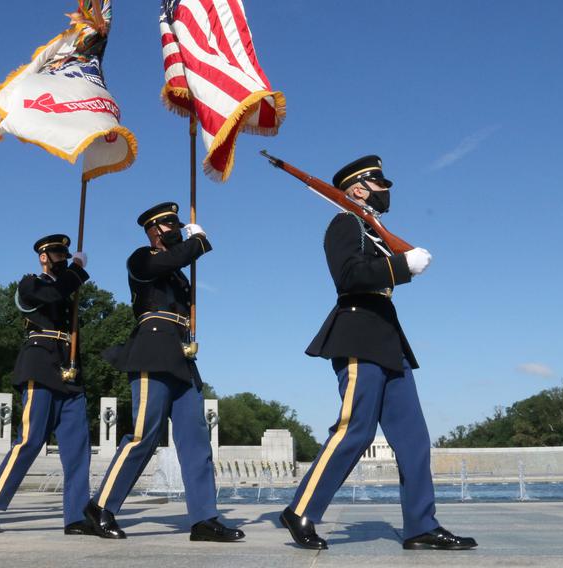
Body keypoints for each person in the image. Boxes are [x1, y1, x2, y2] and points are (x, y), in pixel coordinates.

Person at [280, 155, 477, 551]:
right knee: (355, 430)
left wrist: (396, 262)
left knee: (414, 440)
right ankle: (301, 509)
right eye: (380, 183)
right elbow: (349, 276)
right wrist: (400, 267)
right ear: (357, 188)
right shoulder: (345, 223)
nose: (387, 190)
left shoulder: (373, 229)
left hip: (389, 340)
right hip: (357, 335)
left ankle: (420, 526)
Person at [88, 202, 244, 542]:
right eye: (170, 225)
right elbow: (173, 259)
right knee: (144, 434)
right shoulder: (142, 258)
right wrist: (198, 242)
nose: (175, 229)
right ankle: (101, 506)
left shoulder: (175, 271)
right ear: (154, 231)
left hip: (180, 354)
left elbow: (177, 265)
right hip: (152, 349)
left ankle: (204, 517)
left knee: (195, 440)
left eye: (178, 224)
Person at [0, 235, 92, 535]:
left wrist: (74, 275)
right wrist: (78, 270)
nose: (63, 258)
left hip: (69, 372)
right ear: (43, 257)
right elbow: (53, 295)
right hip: (40, 366)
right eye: (57, 254)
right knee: (30, 440)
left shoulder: (67, 288)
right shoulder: (30, 284)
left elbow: (63, 297)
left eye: (66, 255)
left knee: (78, 449)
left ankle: (77, 516)